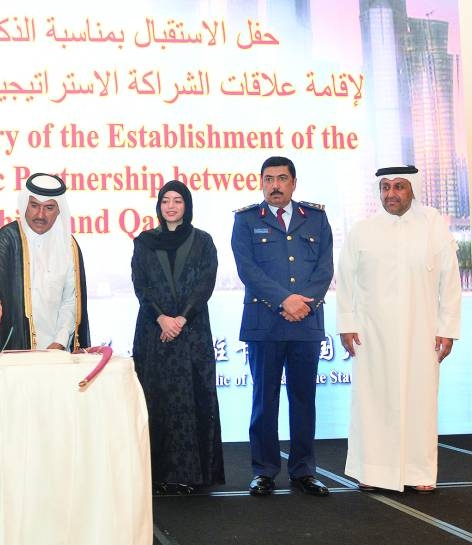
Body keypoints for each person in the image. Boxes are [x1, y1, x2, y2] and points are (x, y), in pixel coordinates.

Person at [337, 166, 460, 494]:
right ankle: (373, 471)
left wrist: (447, 328)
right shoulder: (364, 230)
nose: (391, 194)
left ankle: (418, 471)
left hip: (422, 332)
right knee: (374, 402)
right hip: (372, 334)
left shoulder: (433, 227)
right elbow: (346, 280)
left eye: (399, 187)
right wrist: (347, 324)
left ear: (412, 190)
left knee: (420, 400)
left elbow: (450, 281)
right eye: (385, 187)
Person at [231, 156, 333, 497]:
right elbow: (248, 270)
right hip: (265, 324)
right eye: (269, 179)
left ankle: (304, 470)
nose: (275, 185)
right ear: (261, 182)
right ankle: (264, 471)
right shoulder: (246, 220)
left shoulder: (315, 219)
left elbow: (324, 268)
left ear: (293, 183)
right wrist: (284, 301)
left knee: (304, 399)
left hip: (305, 322)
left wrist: (301, 303)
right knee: (265, 399)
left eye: (282, 178)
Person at [131, 180, 223, 494]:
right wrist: (162, 318)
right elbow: (140, 286)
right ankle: (157, 475)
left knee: (192, 401)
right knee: (156, 401)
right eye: (165, 201)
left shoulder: (203, 242)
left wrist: (181, 319)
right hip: (153, 334)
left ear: (187, 206)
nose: (171, 206)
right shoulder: (144, 241)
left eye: (178, 201)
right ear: (158, 206)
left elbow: (205, 285)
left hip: (192, 333)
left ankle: (192, 475)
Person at [0, 173, 89, 351]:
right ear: (25, 204)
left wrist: (60, 341)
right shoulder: (7, 238)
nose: (40, 214)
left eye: (49, 208)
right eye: (34, 206)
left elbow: (71, 301)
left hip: (56, 351)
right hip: (14, 351)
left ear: (59, 209)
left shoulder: (68, 245)